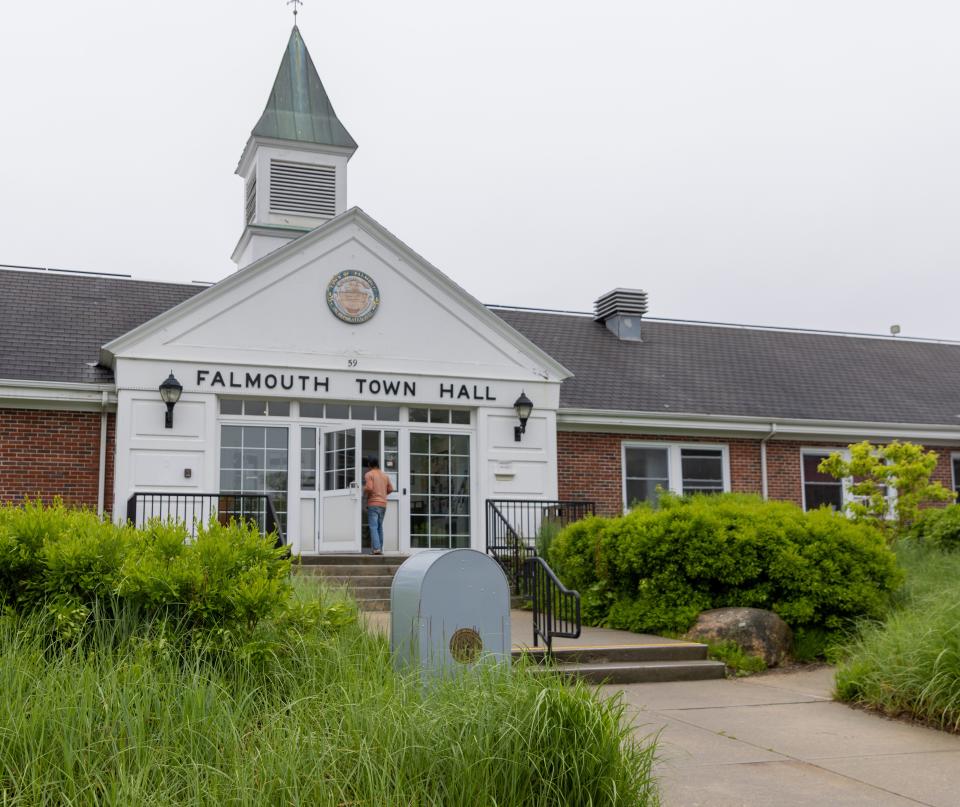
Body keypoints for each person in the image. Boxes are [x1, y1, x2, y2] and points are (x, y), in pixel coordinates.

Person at [363, 455, 393, 555]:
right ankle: (379, 548)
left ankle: (376, 549)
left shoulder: (369, 474)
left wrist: (362, 489)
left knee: (373, 526)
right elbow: (391, 489)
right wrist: (382, 494)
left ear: (369, 464)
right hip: (383, 504)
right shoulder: (385, 476)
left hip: (373, 503)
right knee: (379, 527)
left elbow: (369, 488)